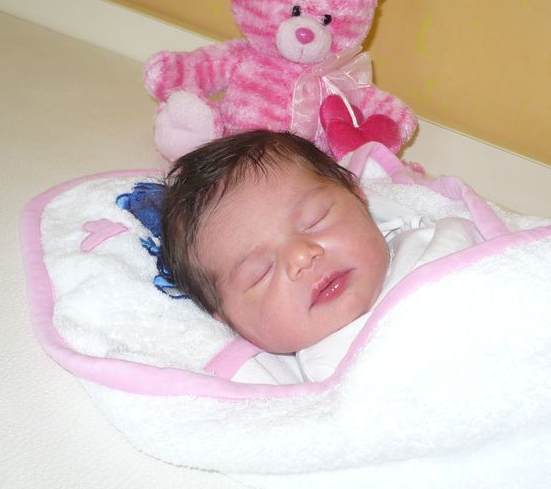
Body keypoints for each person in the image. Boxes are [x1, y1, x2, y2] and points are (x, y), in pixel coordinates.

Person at [162, 130, 481, 383]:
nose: (302, 256)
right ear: (225, 316)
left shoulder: (437, 238)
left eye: (315, 219)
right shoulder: (322, 382)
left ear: (357, 195)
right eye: (262, 271)